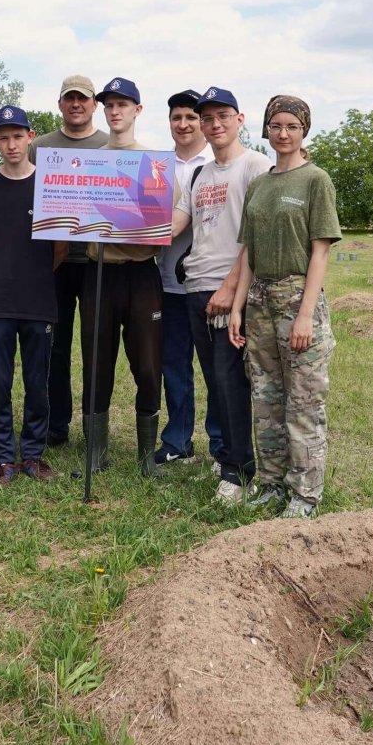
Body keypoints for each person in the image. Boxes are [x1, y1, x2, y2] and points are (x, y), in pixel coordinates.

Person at [229, 95, 341, 519]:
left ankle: (305, 493)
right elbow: (246, 254)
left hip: (297, 299)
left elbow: (320, 253)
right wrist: (237, 308)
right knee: (267, 399)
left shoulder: (316, 181)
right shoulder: (260, 183)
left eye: (291, 126)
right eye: (275, 125)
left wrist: (306, 314)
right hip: (259, 301)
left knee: (303, 402)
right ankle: (272, 483)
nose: (282, 133)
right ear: (265, 128)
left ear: (304, 130)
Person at [172, 87, 269, 505]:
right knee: (214, 379)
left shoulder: (255, 168)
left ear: (239, 118)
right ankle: (226, 456)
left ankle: (240, 473)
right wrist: (116, 229)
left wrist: (231, 289)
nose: (214, 124)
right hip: (196, 285)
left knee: (230, 381)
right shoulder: (200, 174)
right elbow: (178, 222)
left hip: (229, 290)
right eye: (207, 118)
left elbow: (253, 236)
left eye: (221, 116)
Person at [0, 105, 65, 484]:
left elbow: (58, 250)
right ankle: (5, 455)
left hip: (39, 301)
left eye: (17, 136)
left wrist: (31, 275)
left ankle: (34, 455)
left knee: (37, 383)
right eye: (3, 137)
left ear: (30, 135)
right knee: (0, 381)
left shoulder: (49, 184)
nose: (11, 144)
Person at [79, 77, 164, 479]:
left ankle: (147, 454)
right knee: (96, 362)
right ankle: (96, 452)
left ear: (137, 111)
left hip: (142, 274)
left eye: (123, 105)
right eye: (109, 105)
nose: (115, 112)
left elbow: (164, 221)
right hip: (99, 274)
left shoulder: (154, 162)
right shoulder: (90, 161)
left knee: (148, 365)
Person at [28, 76, 109, 447]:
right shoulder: (40, 148)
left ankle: (96, 428)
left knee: (97, 346)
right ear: (60, 104)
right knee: (54, 347)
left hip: (99, 262)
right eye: (69, 99)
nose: (76, 104)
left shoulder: (112, 146)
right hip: (52, 263)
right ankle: (55, 425)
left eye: (83, 99)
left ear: (94, 105)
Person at [154, 89, 221, 469]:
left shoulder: (216, 165)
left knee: (216, 368)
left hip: (209, 284)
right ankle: (178, 440)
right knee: (174, 366)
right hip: (165, 282)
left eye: (191, 118)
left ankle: (220, 445)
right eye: (177, 118)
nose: (184, 125)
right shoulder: (156, 166)